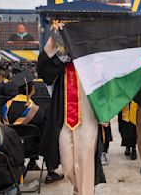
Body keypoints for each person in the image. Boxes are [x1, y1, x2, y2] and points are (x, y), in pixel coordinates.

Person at [36, 24, 105, 194]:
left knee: (86, 164)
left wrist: (105, 113)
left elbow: (107, 87)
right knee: (67, 166)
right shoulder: (61, 64)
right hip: (66, 120)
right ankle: (79, 189)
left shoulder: (94, 64)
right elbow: (43, 71)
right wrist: (54, 38)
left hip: (88, 120)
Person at [1, 70, 47, 172]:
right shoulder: (36, 110)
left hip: (10, 146)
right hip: (31, 149)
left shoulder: (6, 106)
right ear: (32, 90)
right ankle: (33, 162)